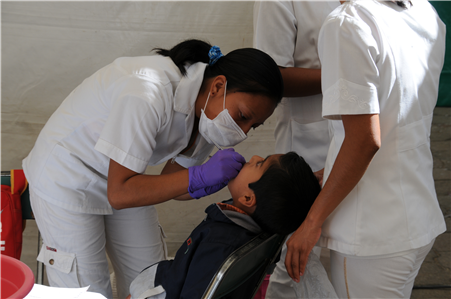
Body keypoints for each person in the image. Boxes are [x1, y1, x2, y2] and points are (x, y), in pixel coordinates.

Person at [22, 39, 284, 298]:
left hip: (124, 178)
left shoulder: (209, 118)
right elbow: (121, 193)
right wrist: (198, 176)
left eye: (253, 126)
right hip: (67, 177)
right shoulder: (148, 91)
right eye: (243, 116)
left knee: (152, 284)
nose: (243, 132)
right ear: (218, 86)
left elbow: (173, 185)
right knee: (88, 292)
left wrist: (202, 184)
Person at [285, 0, 447, 298]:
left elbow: (364, 141)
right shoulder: (423, 11)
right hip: (417, 214)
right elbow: (397, 121)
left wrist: (311, 223)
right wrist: (331, 171)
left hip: (371, 231)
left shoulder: (348, 23)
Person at [126, 152, 336, 299]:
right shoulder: (255, 231)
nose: (253, 157)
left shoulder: (219, 244)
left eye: (259, 163)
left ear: (247, 198)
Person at [253, 1, 339, 297]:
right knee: (299, 264)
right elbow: (270, 76)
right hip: (307, 146)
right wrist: (344, 76)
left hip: (355, 140)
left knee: (344, 260)